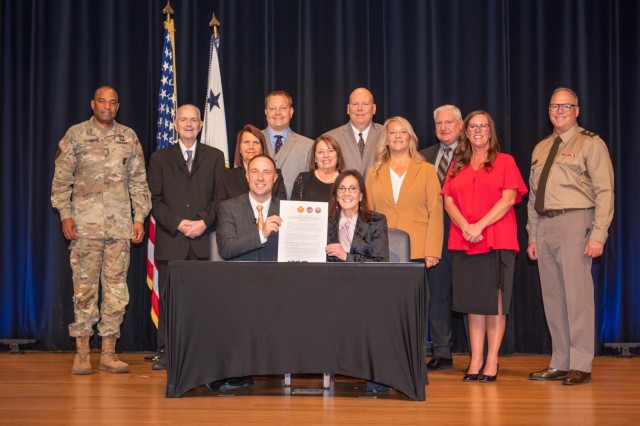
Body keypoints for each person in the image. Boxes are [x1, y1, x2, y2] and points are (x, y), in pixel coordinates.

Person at [51, 85, 151, 375]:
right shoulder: (76, 135)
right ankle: (82, 353)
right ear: (92, 104)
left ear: (118, 107)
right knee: (84, 291)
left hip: (119, 228)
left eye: (113, 102)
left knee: (116, 291)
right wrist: (65, 215)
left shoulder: (128, 137)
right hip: (84, 228)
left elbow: (138, 182)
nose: (107, 106)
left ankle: (109, 352)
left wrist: (139, 217)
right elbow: (61, 181)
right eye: (102, 101)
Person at [527, 88, 614, 386]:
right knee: (553, 298)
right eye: (554, 106)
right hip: (546, 225)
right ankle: (559, 361)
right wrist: (532, 236)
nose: (559, 110)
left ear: (577, 110)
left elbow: (605, 192)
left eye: (566, 106)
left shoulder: (591, 143)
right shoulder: (541, 148)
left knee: (577, 298)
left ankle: (581, 363)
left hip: (576, 222)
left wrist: (598, 234)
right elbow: (533, 197)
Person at [441, 110, 527, 383]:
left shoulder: (505, 161)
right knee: (473, 304)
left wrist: (479, 226)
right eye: (473, 126)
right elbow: (448, 201)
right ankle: (475, 360)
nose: (478, 130)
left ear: (490, 131)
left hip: (496, 239)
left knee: (495, 303)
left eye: (483, 126)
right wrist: (466, 226)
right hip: (465, 241)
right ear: (466, 132)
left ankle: (492, 360)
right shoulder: (457, 162)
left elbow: (508, 198)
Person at [146, 104, 225, 370]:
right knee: (170, 301)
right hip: (172, 242)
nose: (189, 124)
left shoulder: (215, 157)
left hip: (204, 242)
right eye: (184, 120)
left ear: (201, 125)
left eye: (194, 120)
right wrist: (179, 224)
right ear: (175, 124)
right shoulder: (159, 159)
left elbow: (220, 198)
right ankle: (167, 352)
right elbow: (154, 201)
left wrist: (203, 221)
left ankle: (201, 352)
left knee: (203, 301)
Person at [209, 154, 281, 391]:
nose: (261, 178)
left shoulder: (287, 209)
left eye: (267, 172)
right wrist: (262, 234)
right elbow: (227, 249)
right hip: (239, 288)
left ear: (275, 178)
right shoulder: (228, 207)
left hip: (277, 286)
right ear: (247, 176)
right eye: (256, 172)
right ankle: (235, 370)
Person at [419, 104, 464, 371]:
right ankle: (442, 352)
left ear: (461, 125)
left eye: (449, 123)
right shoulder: (423, 157)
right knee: (436, 295)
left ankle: (479, 354)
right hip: (434, 235)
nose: (444, 128)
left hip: (466, 232)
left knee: (470, 295)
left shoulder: (473, 154)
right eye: (439, 124)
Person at [365, 116, 443, 269]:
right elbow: (367, 213)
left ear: (410, 138)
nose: (398, 136)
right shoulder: (374, 172)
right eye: (392, 132)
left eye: (403, 132)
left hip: (418, 250)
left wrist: (433, 250)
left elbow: (435, 212)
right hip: (382, 249)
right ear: (386, 139)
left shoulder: (427, 170)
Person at [326, 170, 389, 262]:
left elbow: (381, 263)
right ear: (336, 196)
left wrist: (346, 256)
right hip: (331, 275)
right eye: (342, 188)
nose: (347, 193)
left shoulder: (376, 221)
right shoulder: (325, 222)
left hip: (365, 276)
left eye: (353, 189)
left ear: (361, 196)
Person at [261, 90, 313, 198]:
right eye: (272, 108)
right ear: (266, 112)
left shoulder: (309, 146)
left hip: (293, 211)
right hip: (256, 211)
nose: (278, 112)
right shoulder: (253, 141)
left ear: (291, 112)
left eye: (283, 108)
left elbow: (311, 186)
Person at [215, 124, 287, 202]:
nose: (251, 147)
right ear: (239, 148)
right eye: (246, 142)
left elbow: (281, 208)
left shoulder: (276, 176)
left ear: (262, 149)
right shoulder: (226, 177)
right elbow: (220, 207)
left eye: (256, 142)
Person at [326, 87, 383, 176]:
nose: (360, 108)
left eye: (365, 104)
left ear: (374, 108)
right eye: (355, 104)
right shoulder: (330, 138)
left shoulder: (387, 135)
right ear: (348, 109)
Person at [291, 134, 345, 202]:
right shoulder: (303, 180)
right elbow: (295, 209)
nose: (326, 155)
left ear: (338, 155)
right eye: (320, 152)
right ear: (315, 158)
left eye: (330, 150)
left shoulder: (346, 180)